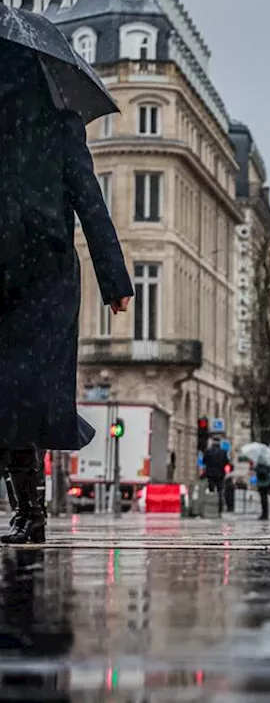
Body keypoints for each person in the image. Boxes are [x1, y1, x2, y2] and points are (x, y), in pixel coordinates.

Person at [0, 48, 132, 545]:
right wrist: (114, 280)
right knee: (28, 394)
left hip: (19, 269)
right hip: (47, 273)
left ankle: (29, 512)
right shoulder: (61, 122)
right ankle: (30, 512)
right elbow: (89, 200)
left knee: (11, 394)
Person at [203, 439, 230, 513]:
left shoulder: (208, 451)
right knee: (220, 491)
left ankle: (211, 508)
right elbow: (227, 462)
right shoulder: (223, 452)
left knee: (211, 491)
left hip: (210, 474)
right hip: (220, 474)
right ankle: (219, 509)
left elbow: (204, 461)